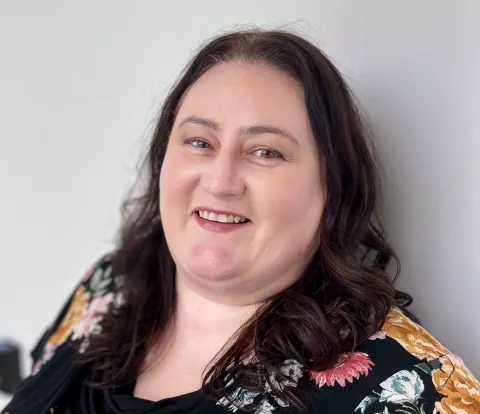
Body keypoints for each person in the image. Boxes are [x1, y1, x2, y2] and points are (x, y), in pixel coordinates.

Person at [3, 29, 479, 414]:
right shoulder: (109, 285)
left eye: (265, 152)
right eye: (199, 142)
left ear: (333, 188)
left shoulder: (411, 388)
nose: (221, 181)